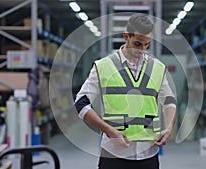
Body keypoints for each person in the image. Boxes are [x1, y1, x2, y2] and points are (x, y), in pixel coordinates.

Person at [74, 13, 177, 169]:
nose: (142, 50)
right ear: (125, 36)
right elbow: (81, 103)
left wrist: (169, 127)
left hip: (148, 154)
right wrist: (109, 130)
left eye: (147, 44)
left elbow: (169, 100)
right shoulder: (103, 66)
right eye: (137, 44)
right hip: (113, 154)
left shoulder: (157, 68)